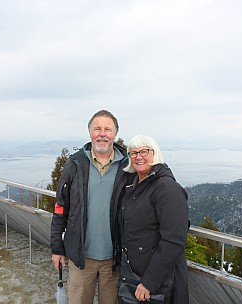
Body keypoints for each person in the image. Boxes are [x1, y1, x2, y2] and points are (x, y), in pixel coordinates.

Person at [50, 110, 128, 304]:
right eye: (97, 129)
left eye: (108, 129)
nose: (102, 134)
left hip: (114, 259)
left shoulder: (127, 167)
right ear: (90, 133)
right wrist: (57, 249)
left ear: (114, 134)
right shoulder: (74, 165)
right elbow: (61, 209)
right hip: (81, 258)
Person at [116, 134, 189, 303]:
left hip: (159, 284)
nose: (138, 157)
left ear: (154, 153)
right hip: (134, 277)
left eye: (144, 151)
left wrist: (149, 282)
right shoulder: (133, 185)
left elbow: (174, 240)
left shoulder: (167, 188)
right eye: (133, 153)